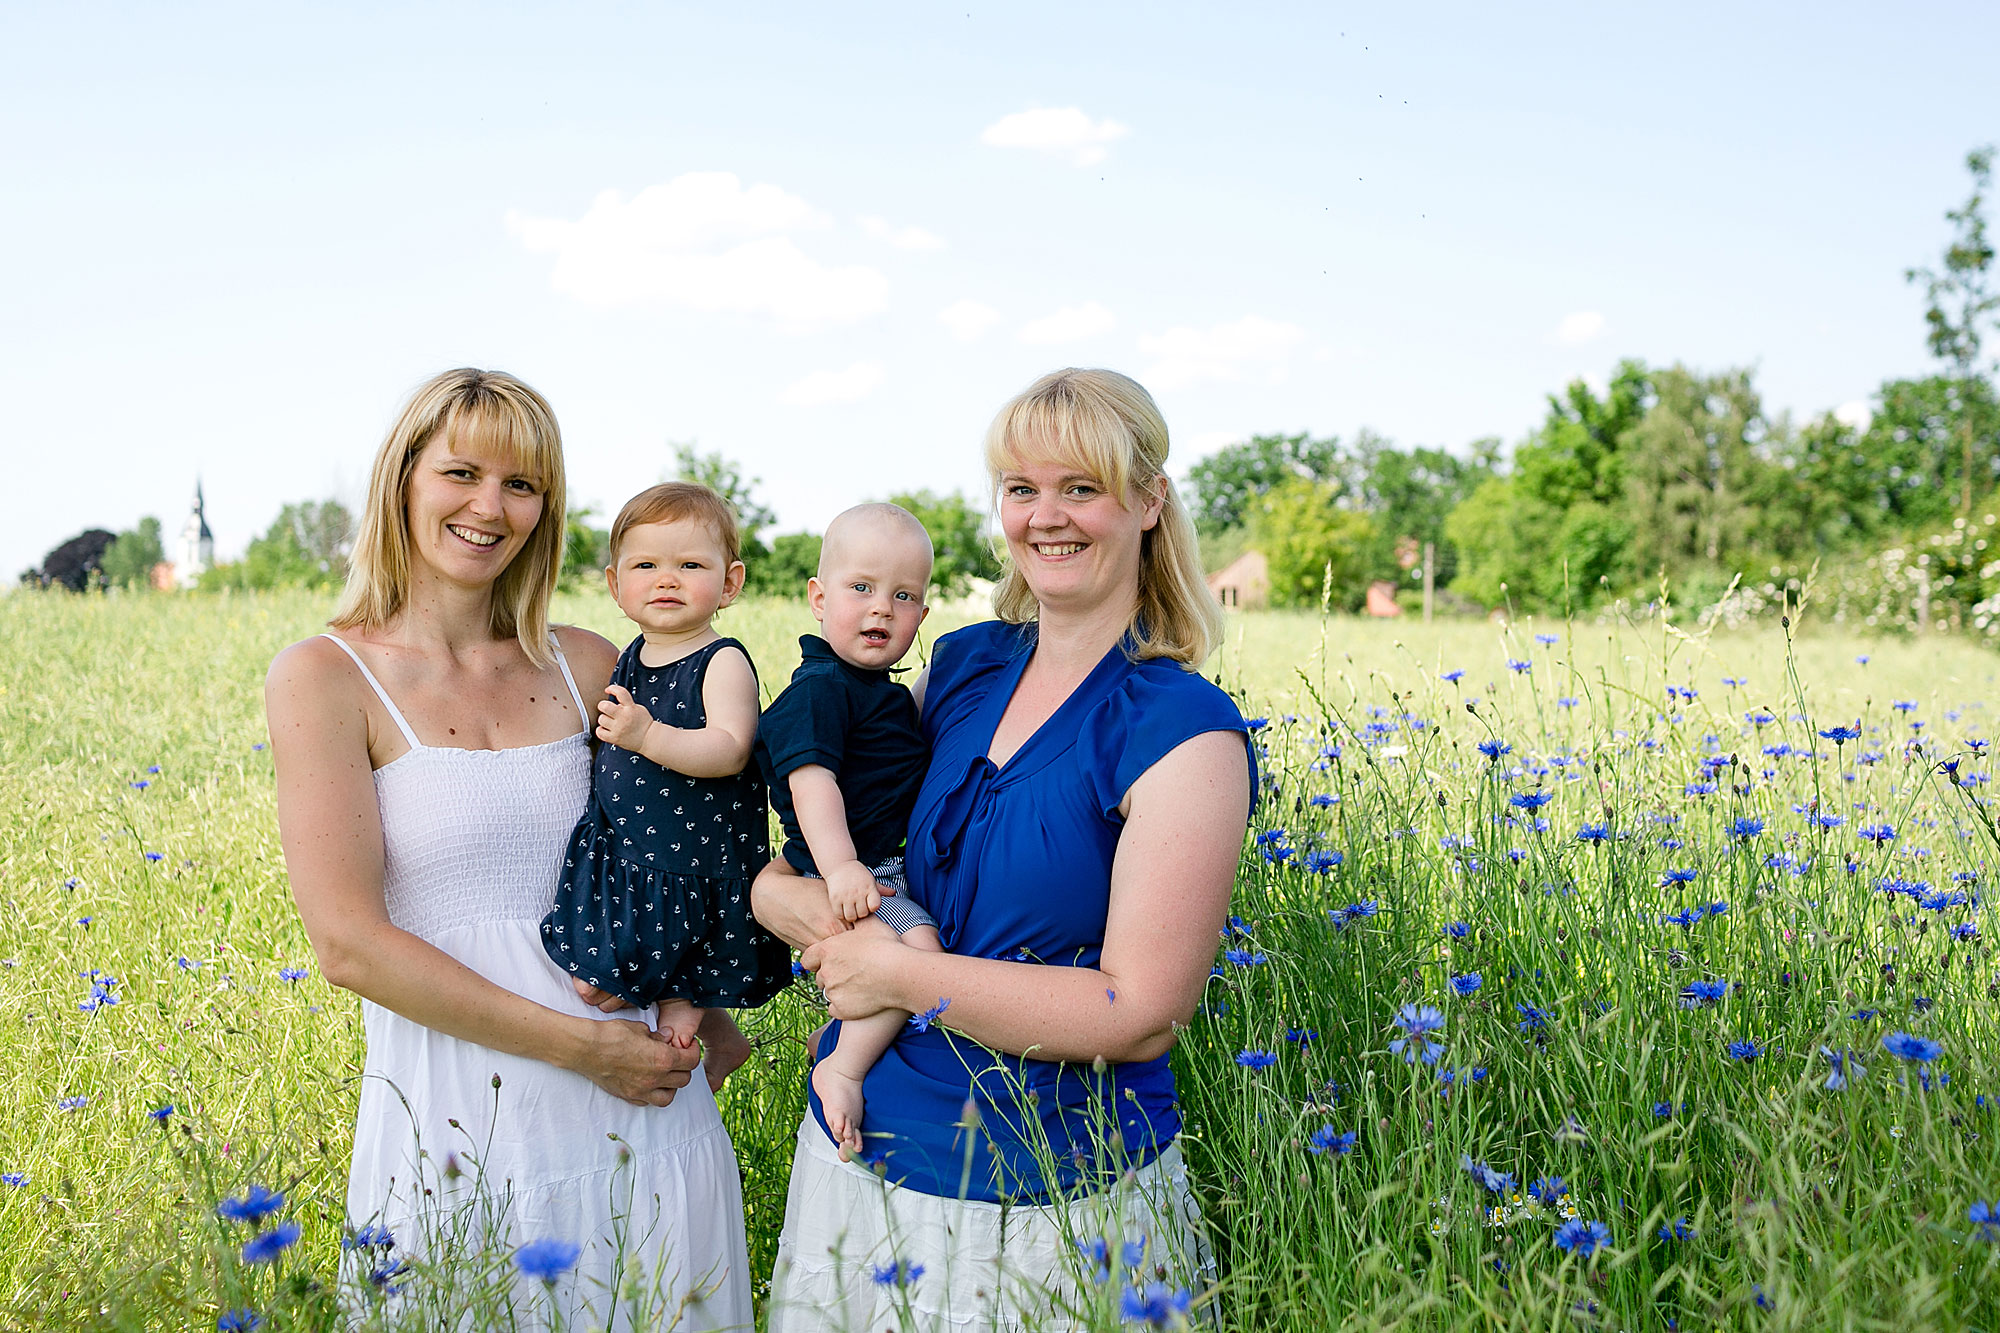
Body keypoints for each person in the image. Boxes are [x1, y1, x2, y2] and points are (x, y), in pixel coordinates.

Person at [753, 368, 1255, 1330]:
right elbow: (849, 825)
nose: (1046, 517)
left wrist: (901, 979)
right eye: (1022, 488)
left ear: (1149, 500)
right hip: (861, 1157)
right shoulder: (963, 661)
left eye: (1082, 486)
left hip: (1058, 1201)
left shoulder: (1185, 731)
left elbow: (1139, 1011)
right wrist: (776, 892)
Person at [264, 368, 754, 1328]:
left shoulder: (589, 663)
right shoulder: (325, 677)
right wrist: (583, 1049)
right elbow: (349, 944)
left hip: (646, 1106)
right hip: (460, 1127)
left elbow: (695, 836)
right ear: (402, 479)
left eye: (522, 485)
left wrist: (712, 998)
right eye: (461, 472)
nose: (490, 507)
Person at [539, 482, 791, 1045]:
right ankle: (711, 1033)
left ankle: (698, 1025)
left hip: (692, 855)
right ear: (616, 585)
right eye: (646, 564)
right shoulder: (628, 656)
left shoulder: (720, 660)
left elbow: (728, 749)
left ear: (730, 584)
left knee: (679, 964)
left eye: (691, 564)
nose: (666, 578)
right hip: (631, 850)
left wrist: (646, 735)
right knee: (593, 971)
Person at [753, 503, 944, 1161]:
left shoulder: (881, 692)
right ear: (817, 597)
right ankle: (842, 1065)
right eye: (860, 588)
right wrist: (839, 869)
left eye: (903, 595)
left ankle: (838, 1036)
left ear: (922, 614)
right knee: (917, 955)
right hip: (846, 875)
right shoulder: (821, 689)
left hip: (880, 870)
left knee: (916, 953)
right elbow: (812, 785)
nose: (881, 609)